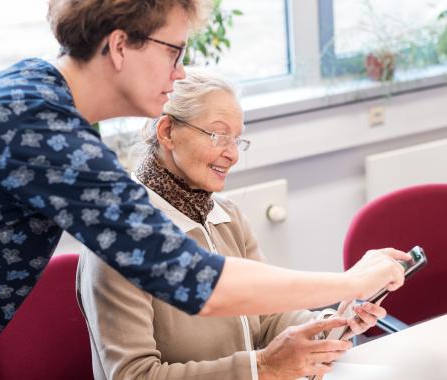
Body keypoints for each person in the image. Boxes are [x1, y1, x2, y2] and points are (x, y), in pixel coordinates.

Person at [0, 1, 408, 378]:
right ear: (120, 45)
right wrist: (349, 282)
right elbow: (196, 281)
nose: (180, 71)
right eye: (174, 51)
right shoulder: (41, 131)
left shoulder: (35, 100)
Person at [77, 68, 389, 380]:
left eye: (237, 139)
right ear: (168, 132)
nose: (233, 155)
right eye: (219, 135)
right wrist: (263, 367)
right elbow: (135, 375)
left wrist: (329, 327)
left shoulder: (226, 216)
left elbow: (268, 316)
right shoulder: (115, 240)